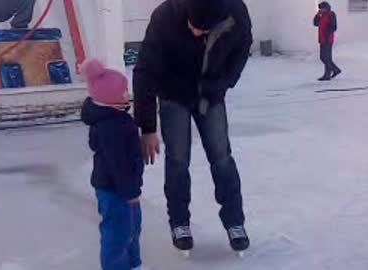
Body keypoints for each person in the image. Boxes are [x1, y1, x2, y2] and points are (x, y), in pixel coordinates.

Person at [133, 0, 252, 254]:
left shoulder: (236, 12)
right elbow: (144, 70)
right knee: (177, 160)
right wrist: (147, 127)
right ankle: (179, 222)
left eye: (204, 30)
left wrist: (224, 82)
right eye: (192, 26)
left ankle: (235, 222)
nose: (196, 33)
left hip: (211, 94)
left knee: (222, 157)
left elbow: (243, 47)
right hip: (173, 95)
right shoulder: (165, 16)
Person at [81, 59, 145, 270]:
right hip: (116, 189)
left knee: (132, 229)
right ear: (110, 99)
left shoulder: (116, 117)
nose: (127, 95)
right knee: (118, 233)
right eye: (123, 92)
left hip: (122, 187)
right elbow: (117, 163)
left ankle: (134, 265)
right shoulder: (111, 125)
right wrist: (130, 191)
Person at [314, 1, 341, 81]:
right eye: (320, 8)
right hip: (321, 39)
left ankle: (327, 75)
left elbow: (334, 27)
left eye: (322, 8)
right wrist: (317, 15)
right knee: (322, 57)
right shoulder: (321, 15)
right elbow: (315, 23)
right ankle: (336, 70)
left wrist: (327, 33)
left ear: (326, 8)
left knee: (327, 58)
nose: (321, 10)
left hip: (328, 39)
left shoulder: (331, 14)